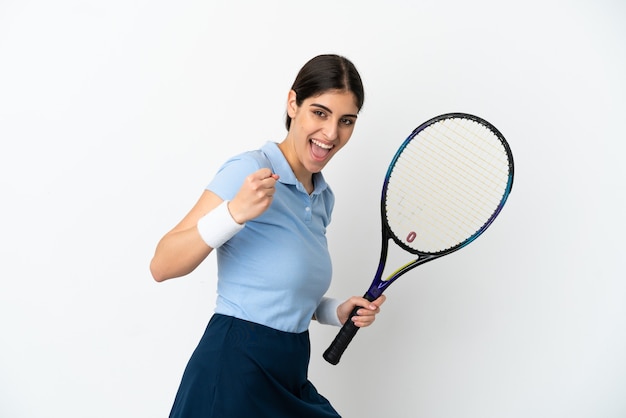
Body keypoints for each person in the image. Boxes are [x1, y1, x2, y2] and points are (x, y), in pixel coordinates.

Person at [150, 54, 386, 418]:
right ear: (293, 104)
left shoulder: (323, 198)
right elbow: (162, 264)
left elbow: (281, 292)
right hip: (233, 372)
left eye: (346, 121)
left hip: (289, 372)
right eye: (319, 113)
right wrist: (234, 213)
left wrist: (332, 311)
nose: (331, 134)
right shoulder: (250, 170)